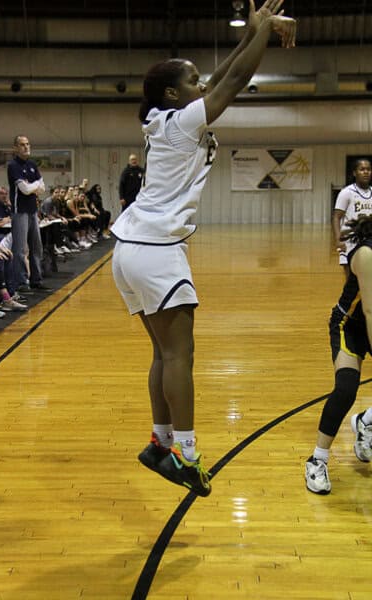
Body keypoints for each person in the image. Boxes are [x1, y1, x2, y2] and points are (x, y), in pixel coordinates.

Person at [111, 0, 296, 497]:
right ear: (174, 94)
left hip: (131, 248)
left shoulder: (166, 120)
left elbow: (220, 80)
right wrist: (264, 32)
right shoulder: (180, 124)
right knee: (180, 354)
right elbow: (232, 85)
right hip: (154, 247)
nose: (203, 85)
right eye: (192, 81)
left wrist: (252, 34)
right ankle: (188, 456)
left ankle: (160, 442)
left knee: (163, 353)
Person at [305, 215, 372, 495]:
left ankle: (365, 421)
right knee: (346, 389)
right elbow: (369, 311)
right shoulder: (367, 254)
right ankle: (317, 460)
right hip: (351, 326)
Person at [7, 135, 52, 293]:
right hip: (20, 212)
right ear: (15, 148)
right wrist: (34, 186)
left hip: (33, 211)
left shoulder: (32, 165)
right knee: (20, 249)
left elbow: (43, 187)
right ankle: (21, 281)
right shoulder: (13, 166)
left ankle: (36, 280)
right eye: (22, 145)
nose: (26, 147)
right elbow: (24, 190)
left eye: (27, 144)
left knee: (36, 247)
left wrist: (31, 186)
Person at [332, 158, 372, 279]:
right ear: (355, 173)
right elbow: (336, 217)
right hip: (350, 241)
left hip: (369, 239)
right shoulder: (346, 192)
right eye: (362, 169)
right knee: (351, 280)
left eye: (369, 169)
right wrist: (338, 240)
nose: (366, 172)